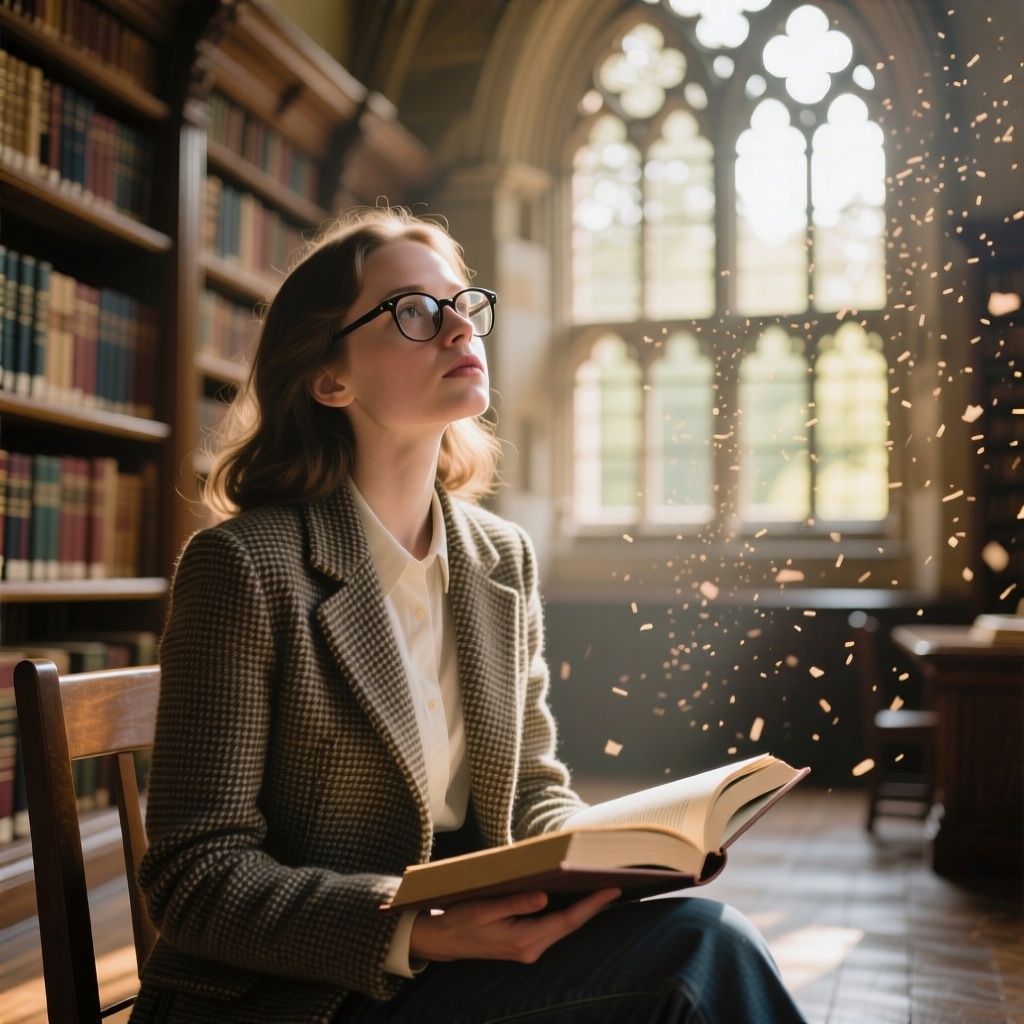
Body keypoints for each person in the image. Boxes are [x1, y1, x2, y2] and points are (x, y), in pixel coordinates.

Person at [130, 206, 808, 1023]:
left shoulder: (500, 558)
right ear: (328, 377)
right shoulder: (245, 567)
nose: (459, 327)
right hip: (301, 994)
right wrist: (416, 928)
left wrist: (616, 859)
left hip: (464, 963)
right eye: (413, 312)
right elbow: (193, 877)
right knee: (696, 959)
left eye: (462, 303)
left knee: (697, 932)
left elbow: (529, 790)